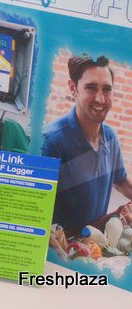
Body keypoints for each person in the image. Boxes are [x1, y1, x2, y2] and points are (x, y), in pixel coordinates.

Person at [42, 54, 132, 239]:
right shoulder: (51, 142)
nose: (100, 99)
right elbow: (32, 214)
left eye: (107, 89)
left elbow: (121, 181)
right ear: (73, 88)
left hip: (94, 243)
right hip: (61, 248)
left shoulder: (110, 137)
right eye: (91, 88)